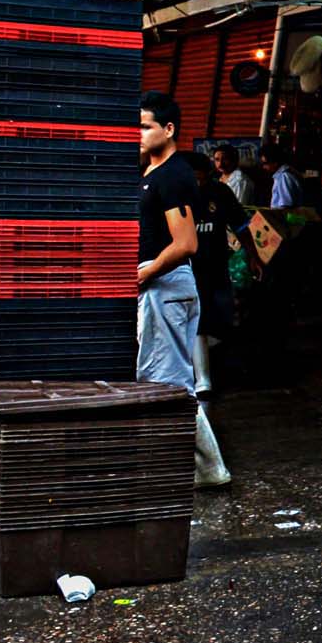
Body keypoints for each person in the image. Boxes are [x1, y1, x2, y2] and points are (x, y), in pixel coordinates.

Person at [140, 92, 229, 489]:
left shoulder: (173, 175)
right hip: (158, 286)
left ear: (169, 129)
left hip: (166, 286)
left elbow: (186, 243)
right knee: (162, 381)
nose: (137, 134)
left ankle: (210, 469)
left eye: (145, 127)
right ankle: (197, 468)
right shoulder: (152, 172)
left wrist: (147, 272)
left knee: (170, 385)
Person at [182, 149, 252, 399]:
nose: (197, 184)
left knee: (222, 319)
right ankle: (203, 380)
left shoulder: (220, 193)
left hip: (216, 267)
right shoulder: (171, 195)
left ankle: (208, 365)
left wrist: (252, 257)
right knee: (197, 321)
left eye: (201, 179)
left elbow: (241, 226)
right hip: (184, 271)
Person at [261, 142, 303, 210]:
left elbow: (285, 205)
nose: (263, 167)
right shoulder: (286, 174)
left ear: (275, 162)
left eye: (265, 163)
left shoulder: (283, 177)